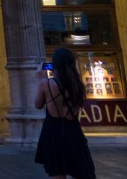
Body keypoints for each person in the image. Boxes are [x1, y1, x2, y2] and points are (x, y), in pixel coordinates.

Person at [33, 47, 96, 179]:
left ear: (55, 65)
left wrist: (39, 80)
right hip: (73, 131)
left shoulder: (47, 84)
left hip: (53, 132)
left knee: (57, 172)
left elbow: (38, 104)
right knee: (79, 170)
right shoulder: (78, 85)